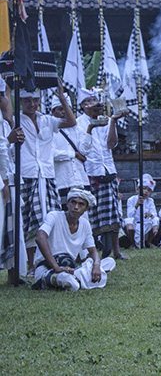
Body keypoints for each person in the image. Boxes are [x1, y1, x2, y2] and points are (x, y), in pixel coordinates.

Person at [20, 85, 77, 275]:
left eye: (35, 100)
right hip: (27, 175)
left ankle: (47, 261)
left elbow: (71, 121)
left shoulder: (47, 120)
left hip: (47, 175)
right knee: (29, 220)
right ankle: (30, 264)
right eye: (28, 100)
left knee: (50, 219)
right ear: (21, 102)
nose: (32, 104)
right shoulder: (16, 120)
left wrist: (62, 98)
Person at [76, 88, 129, 261]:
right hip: (91, 173)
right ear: (84, 106)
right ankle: (91, 253)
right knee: (92, 215)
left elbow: (111, 144)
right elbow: (82, 149)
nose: (96, 104)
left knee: (114, 213)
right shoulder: (78, 123)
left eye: (95, 100)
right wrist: (91, 128)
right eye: (91, 101)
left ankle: (116, 251)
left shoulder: (104, 120)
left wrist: (113, 121)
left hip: (108, 170)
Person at [32, 188, 115, 291]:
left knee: (110, 261)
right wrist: (56, 267)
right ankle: (62, 279)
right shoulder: (54, 216)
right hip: (47, 266)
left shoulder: (85, 224)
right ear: (67, 204)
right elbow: (40, 237)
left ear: (86, 209)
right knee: (72, 284)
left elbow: (93, 250)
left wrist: (96, 265)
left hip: (70, 267)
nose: (76, 207)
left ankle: (78, 276)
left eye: (81, 204)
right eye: (73, 202)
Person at [0, 84, 27, 277]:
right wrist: (5, 181)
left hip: (9, 179)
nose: (8, 99)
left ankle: (14, 272)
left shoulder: (5, 121)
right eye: (5, 95)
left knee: (12, 226)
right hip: (3, 182)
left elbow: (8, 155)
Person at [50, 93, 92, 206]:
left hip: (81, 180)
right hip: (63, 181)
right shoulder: (49, 129)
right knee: (65, 216)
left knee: (83, 217)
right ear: (53, 112)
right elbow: (51, 153)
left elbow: (84, 151)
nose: (64, 112)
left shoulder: (76, 128)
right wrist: (73, 154)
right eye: (60, 109)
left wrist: (90, 129)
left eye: (66, 109)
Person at [125, 174, 159, 249]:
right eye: (144, 189)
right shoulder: (131, 200)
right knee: (128, 222)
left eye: (149, 190)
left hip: (146, 222)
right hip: (136, 223)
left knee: (156, 220)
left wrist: (150, 215)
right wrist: (137, 205)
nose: (146, 192)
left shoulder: (150, 201)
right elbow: (130, 215)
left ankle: (148, 242)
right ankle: (133, 244)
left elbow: (154, 214)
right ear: (138, 189)